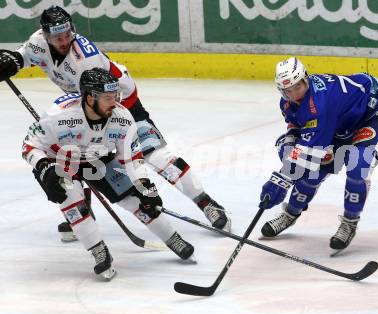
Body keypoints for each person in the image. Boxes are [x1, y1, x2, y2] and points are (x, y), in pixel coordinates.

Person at [1, 5, 231, 242]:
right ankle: (83, 209)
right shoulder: (37, 42)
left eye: (67, 34)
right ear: (45, 34)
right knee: (78, 151)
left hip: (121, 103)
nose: (63, 40)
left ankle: (207, 204)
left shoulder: (84, 61)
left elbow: (104, 97)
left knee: (156, 156)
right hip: (88, 107)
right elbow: (24, 56)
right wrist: (10, 61)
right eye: (57, 36)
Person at [22, 68, 196, 280]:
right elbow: (29, 145)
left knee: (137, 199)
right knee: (73, 203)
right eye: (107, 97)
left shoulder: (122, 119)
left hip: (98, 159)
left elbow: (132, 160)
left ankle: (172, 238)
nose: (114, 102)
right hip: (60, 160)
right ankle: (98, 250)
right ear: (89, 98)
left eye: (115, 95)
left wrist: (145, 187)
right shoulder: (60, 116)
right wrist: (43, 167)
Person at [259, 57, 378, 253]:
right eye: (287, 91)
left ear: (305, 79)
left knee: (358, 168)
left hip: (372, 118)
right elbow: (297, 125)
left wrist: (281, 179)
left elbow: (311, 150)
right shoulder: (288, 103)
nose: (293, 94)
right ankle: (291, 213)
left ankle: (350, 222)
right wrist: (289, 144)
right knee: (309, 172)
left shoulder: (320, 103)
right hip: (338, 125)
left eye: (296, 87)